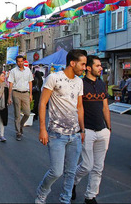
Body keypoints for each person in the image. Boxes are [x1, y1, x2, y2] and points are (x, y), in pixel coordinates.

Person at [35, 49, 87, 204]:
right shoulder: (54, 78)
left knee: (71, 172)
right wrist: (42, 129)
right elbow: (42, 103)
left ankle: (65, 199)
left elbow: (80, 107)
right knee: (56, 171)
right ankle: (42, 192)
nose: (85, 67)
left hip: (75, 135)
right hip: (56, 134)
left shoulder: (79, 81)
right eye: (83, 64)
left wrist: (82, 129)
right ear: (72, 63)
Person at [72, 55, 111, 204]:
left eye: (101, 66)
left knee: (98, 167)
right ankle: (73, 182)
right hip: (86, 130)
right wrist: (80, 129)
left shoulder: (102, 84)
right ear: (88, 68)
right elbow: (77, 108)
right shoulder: (80, 84)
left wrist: (109, 128)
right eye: (98, 66)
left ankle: (90, 196)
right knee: (87, 165)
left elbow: (105, 108)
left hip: (102, 130)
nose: (101, 68)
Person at [7, 56, 34, 141]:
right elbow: (10, 84)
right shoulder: (13, 71)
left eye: (21, 61)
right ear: (16, 62)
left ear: (24, 61)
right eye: (18, 61)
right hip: (16, 93)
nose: (20, 63)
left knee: (27, 113)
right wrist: (9, 96)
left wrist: (30, 94)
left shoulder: (28, 70)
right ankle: (18, 132)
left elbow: (30, 82)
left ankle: (21, 125)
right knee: (17, 114)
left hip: (25, 93)